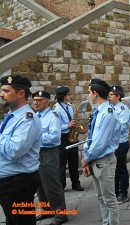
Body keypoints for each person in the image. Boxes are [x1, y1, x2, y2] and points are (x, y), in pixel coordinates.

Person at [0, 75, 42, 225]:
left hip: (18, 183)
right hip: (8, 182)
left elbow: (14, 151)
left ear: (21, 93)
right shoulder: (12, 116)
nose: (1, 94)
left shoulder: (27, 119)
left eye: (6, 90)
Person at [81, 79, 121, 225]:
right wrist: (86, 157)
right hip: (95, 160)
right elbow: (91, 137)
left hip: (104, 161)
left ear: (95, 93)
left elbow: (100, 143)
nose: (88, 96)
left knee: (109, 200)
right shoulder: (99, 112)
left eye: (89, 92)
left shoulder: (107, 113)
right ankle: (106, 222)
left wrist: (86, 158)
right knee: (101, 198)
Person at [33, 91, 68, 225]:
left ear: (47, 101)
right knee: (40, 184)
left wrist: (34, 138)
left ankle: (60, 214)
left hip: (48, 153)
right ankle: (46, 209)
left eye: (39, 100)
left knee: (51, 184)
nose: (35, 102)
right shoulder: (35, 116)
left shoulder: (53, 116)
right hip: (36, 153)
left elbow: (54, 138)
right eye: (34, 100)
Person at [54, 86, 84, 191]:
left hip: (72, 136)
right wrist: (67, 126)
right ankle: (61, 185)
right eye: (68, 95)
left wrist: (75, 124)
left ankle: (75, 183)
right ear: (64, 96)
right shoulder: (57, 109)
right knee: (62, 163)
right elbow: (56, 126)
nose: (70, 96)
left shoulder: (70, 106)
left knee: (74, 161)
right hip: (63, 138)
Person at [109, 85, 130, 204]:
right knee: (114, 170)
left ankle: (123, 193)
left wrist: (108, 129)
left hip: (120, 143)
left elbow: (123, 127)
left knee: (121, 169)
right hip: (113, 143)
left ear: (118, 96)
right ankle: (116, 191)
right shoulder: (112, 108)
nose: (109, 97)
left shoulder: (122, 109)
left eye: (111, 95)